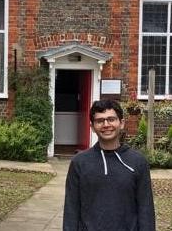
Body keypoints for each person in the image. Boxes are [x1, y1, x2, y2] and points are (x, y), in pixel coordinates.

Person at [63, 99, 156, 231]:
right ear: (92, 127)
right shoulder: (79, 163)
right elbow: (71, 209)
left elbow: (145, 209)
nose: (106, 124)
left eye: (111, 119)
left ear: (121, 123)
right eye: (100, 121)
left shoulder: (138, 162)